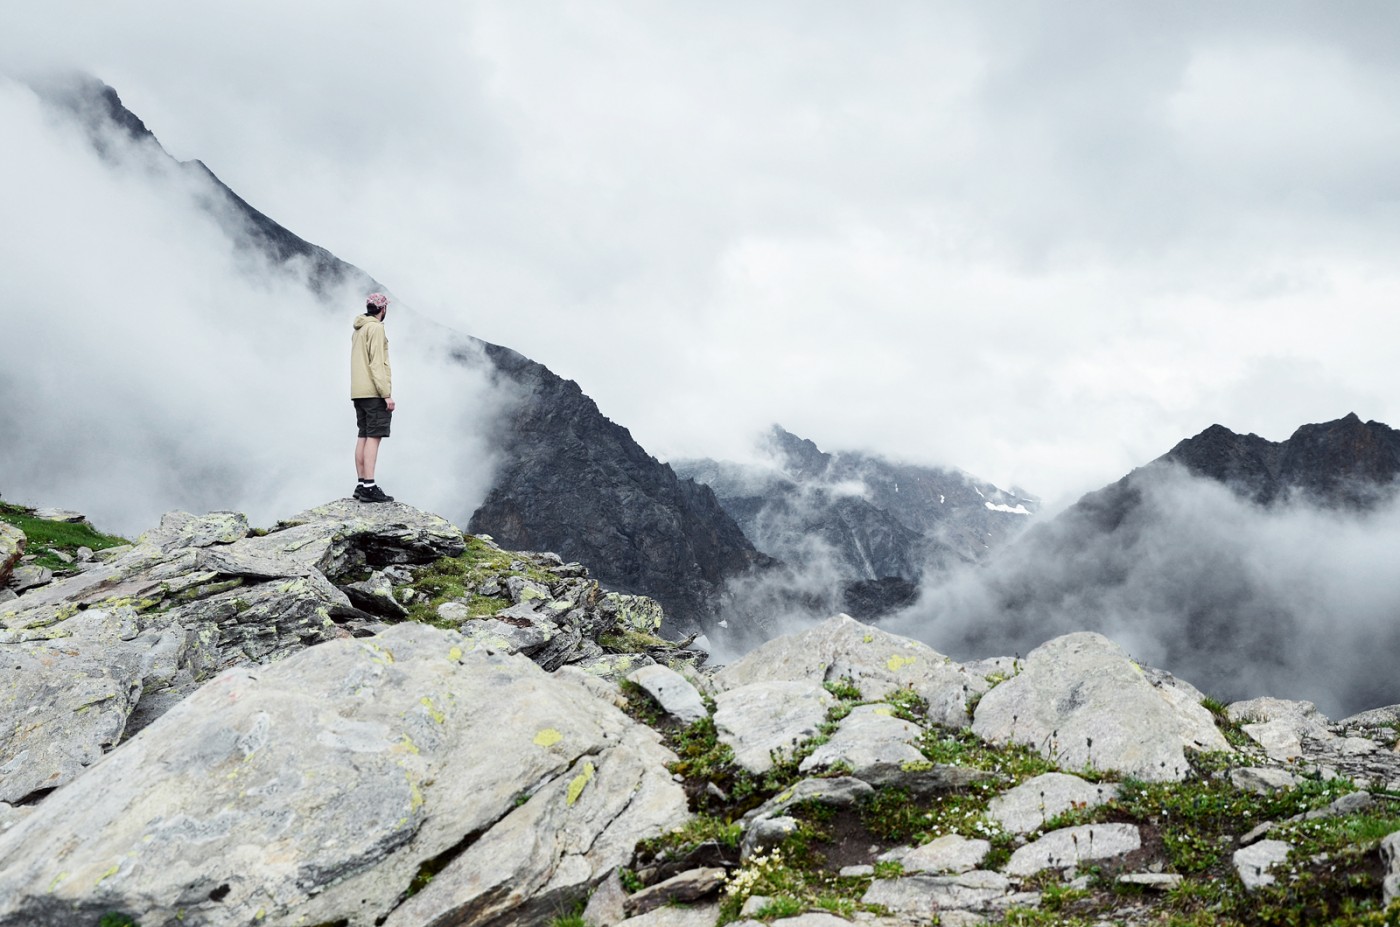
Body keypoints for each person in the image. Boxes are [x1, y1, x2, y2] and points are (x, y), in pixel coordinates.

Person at [351, 292, 396, 503]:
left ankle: (361, 484)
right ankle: (369, 485)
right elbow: (377, 363)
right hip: (373, 392)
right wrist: (386, 394)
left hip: (358, 392)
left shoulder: (359, 329)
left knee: (363, 435)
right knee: (374, 437)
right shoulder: (376, 329)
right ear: (383, 309)